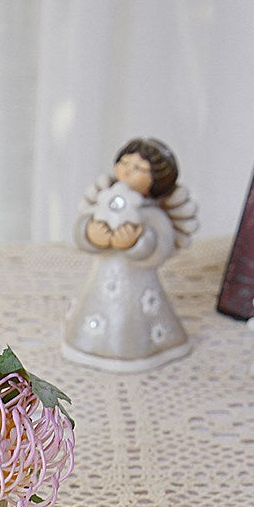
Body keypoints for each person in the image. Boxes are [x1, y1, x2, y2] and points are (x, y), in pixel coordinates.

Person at [62, 137, 199, 372]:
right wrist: (92, 234)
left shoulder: (151, 213)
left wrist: (136, 243)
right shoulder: (105, 199)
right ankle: (90, 346)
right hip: (102, 278)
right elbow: (82, 226)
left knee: (133, 318)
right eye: (125, 162)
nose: (127, 170)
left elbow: (161, 245)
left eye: (139, 168)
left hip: (138, 283)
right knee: (94, 313)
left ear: (156, 180)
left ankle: (136, 348)